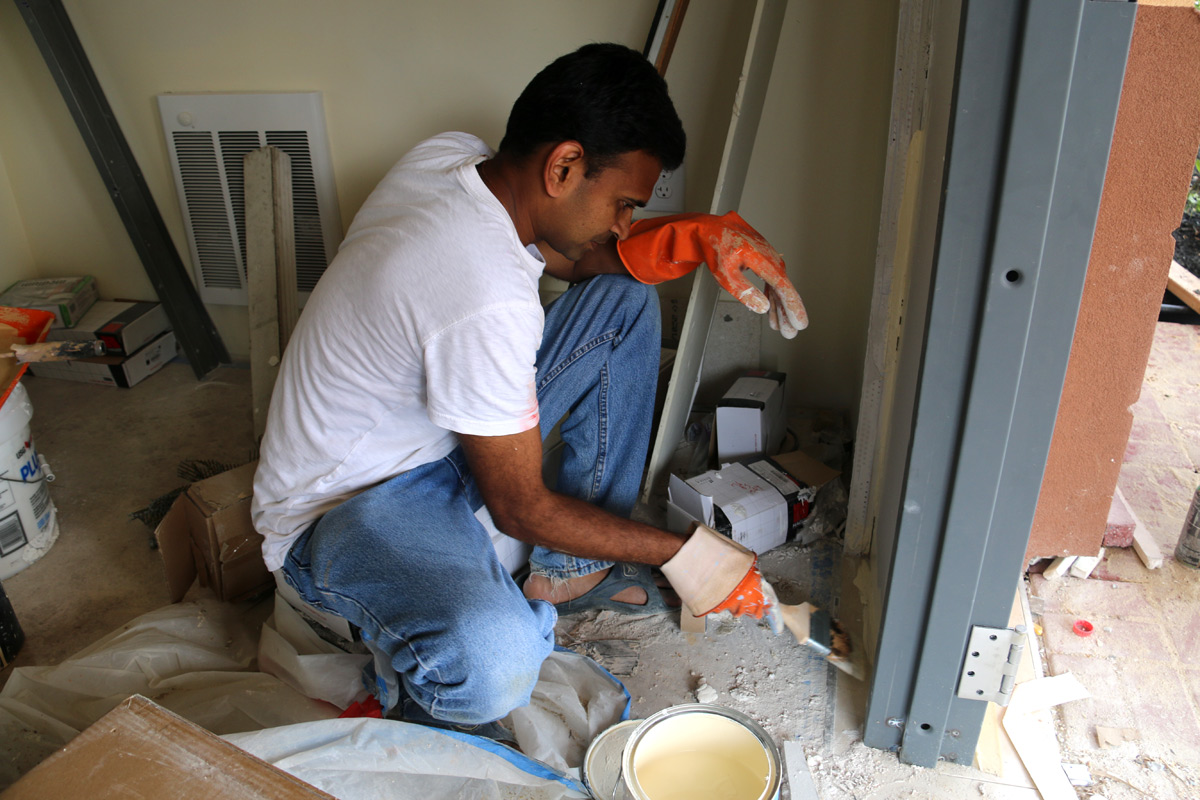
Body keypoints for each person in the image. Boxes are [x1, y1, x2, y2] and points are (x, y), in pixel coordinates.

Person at [251, 42, 808, 731]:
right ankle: (425, 690)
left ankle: (569, 571)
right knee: (497, 663)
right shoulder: (483, 297)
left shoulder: (451, 159)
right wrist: (688, 555)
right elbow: (519, 508)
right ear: (563, 166)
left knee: (625, 300)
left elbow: (574, 258)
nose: (625, 224)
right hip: (343, 508)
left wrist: (696, 237)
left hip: (430, 436)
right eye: (624, 204)